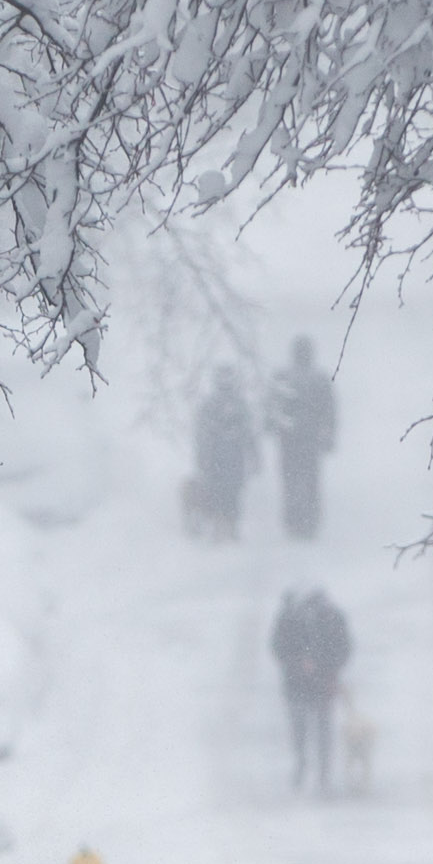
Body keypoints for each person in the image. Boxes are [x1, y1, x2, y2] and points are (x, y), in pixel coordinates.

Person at [269, 587, 353, 796]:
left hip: (321, 683)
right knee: (300, 730)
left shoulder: (332, 618)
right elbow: (278, 648)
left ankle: (323, 772)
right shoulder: (288, 619)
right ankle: (302, 766)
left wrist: (323, 666)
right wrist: (299, 663)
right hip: (298, 683)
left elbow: (343, 648)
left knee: (322, 729)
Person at [267, 337, 338, 540]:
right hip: (306, 441)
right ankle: (307, 523)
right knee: (308, 481)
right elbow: (330, 410)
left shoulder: (284, 376)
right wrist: (329, 435)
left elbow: (271, 407)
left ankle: (296, 522)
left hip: (292, 441)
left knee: (294, 482)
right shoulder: (318, 378)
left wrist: (271, 425)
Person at [186, 369, 257, 541]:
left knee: (228, 493)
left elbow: (248, 433)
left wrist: (253, 454)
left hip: (227, 460)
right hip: (222, 460)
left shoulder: (231, 405)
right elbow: (202, 434)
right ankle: (224, 528)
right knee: (223, 493)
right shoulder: (219, 405)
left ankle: (228, 528)